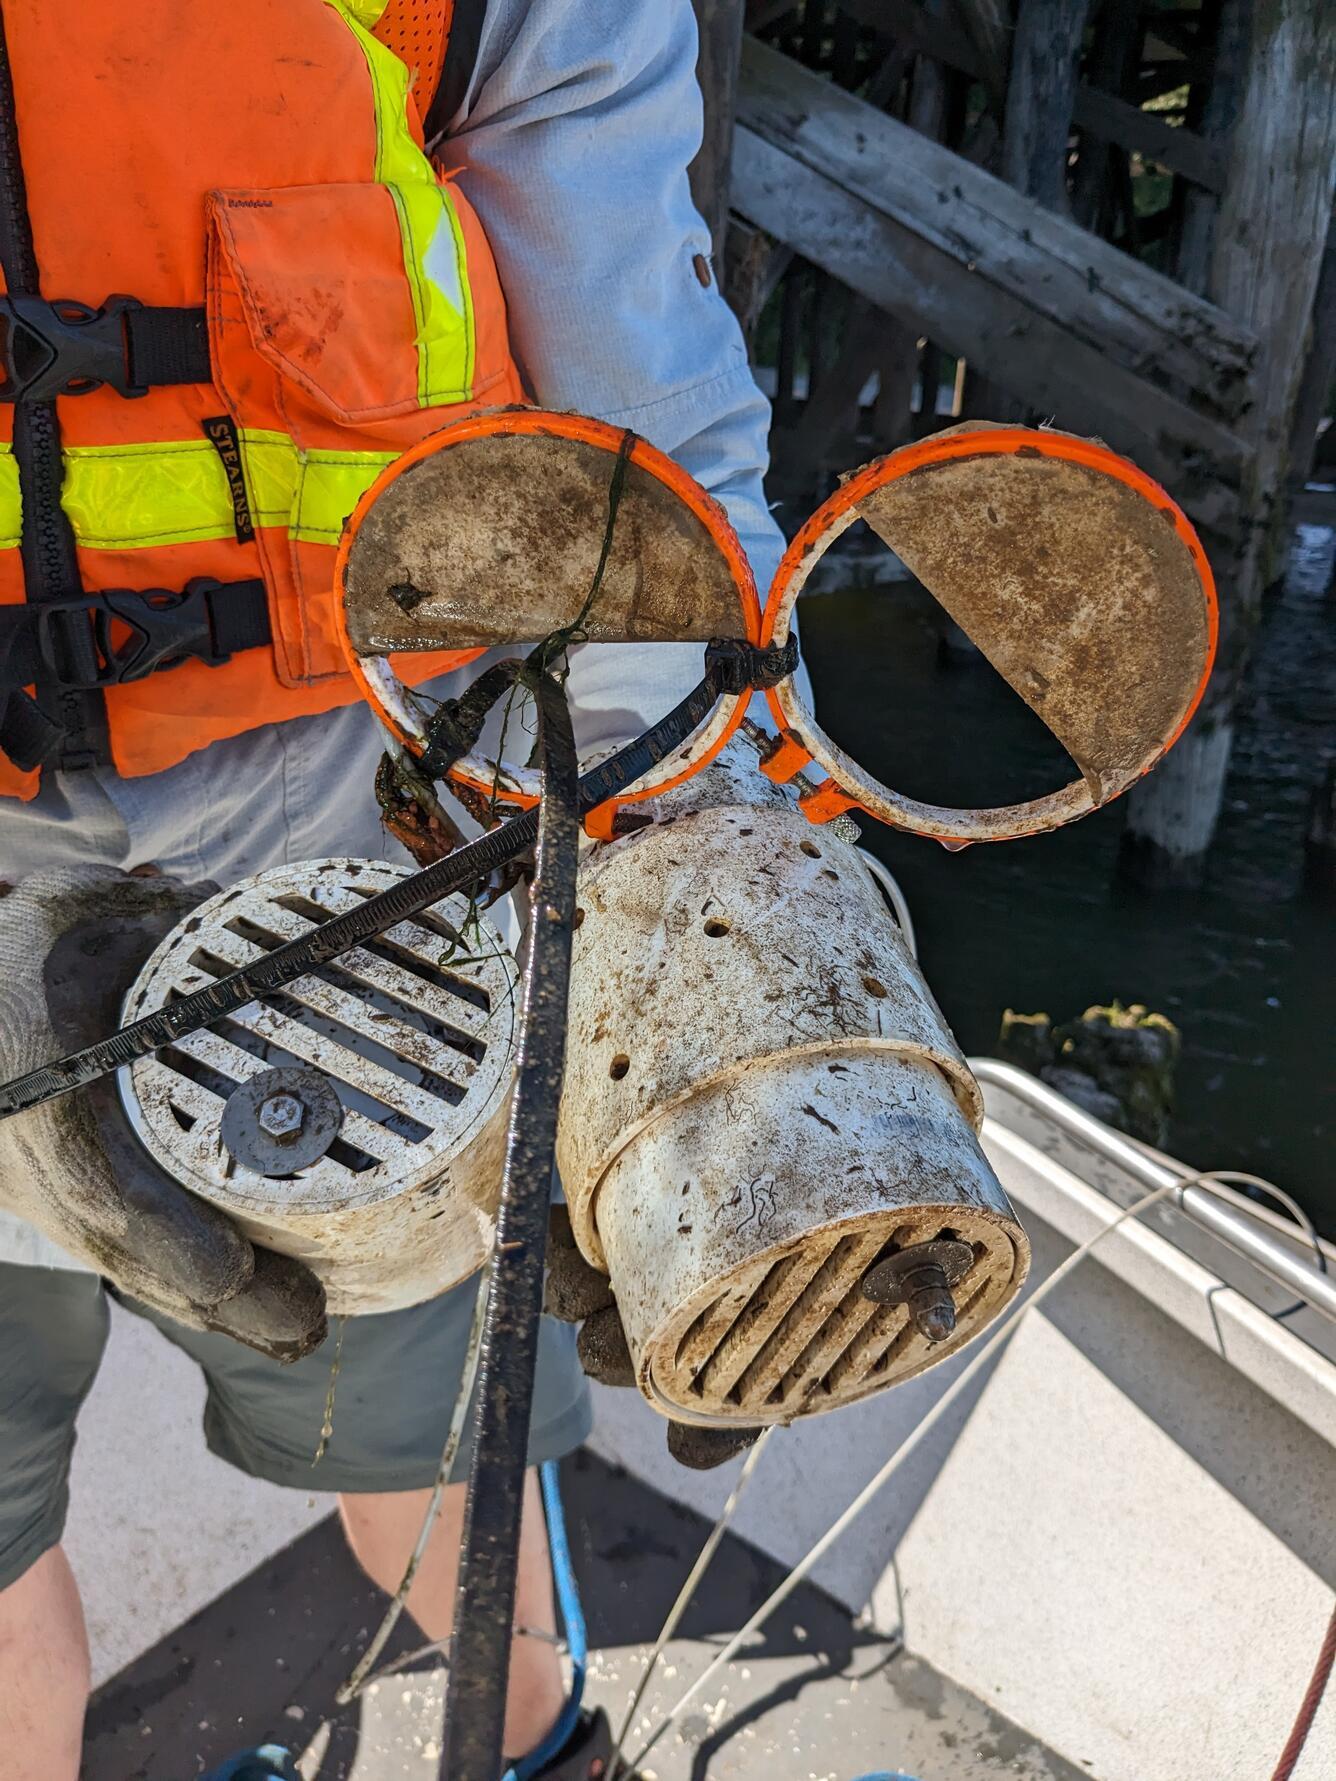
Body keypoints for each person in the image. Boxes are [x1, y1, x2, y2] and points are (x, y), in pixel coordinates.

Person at [0, 2, 787, 1775]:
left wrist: (686, 838)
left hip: (337, 842)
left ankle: (545, 1745)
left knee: (433, 1451)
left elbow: (628, 410)